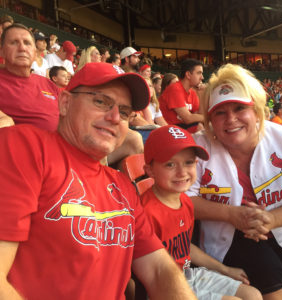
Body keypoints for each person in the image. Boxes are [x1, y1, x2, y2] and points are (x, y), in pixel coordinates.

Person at [0, 62, 197, 300]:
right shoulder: (25, 147)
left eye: (124, 112)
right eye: (101, 101)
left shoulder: (122, 186)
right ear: (65, 103)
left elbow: (158, 269)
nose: (115, 117)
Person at [187, 63, 282, 300]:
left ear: (257, 110)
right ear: (209, 119)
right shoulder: (196, 148)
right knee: (278, 292)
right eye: (220, 112)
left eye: (240, 108)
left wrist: (271, 219)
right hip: (229, 236)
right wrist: (231, 215)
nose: (231, 119)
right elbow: (183, 200)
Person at [141, 125, 262, 300]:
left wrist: (224, 269)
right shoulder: (146, 212)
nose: (182, 172)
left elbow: (184, 247)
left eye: (188, 162)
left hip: (186, 274)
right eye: (170, 164)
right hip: (163, 286)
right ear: (150, 170)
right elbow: (146, 273)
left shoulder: (185, 201)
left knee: (253, 295)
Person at [0, 23, 59, 131]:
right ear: (2, 51)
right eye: (14, 42)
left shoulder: (49, 84)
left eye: (27, 43)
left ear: (34, 52)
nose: (22, 48)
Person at [159, 59, 204, 132]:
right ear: (188, 75)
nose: (202, 77)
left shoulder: (192, 92)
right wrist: (209, 117)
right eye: (199, 73)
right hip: (169, 130)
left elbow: (198, 116)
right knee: (201, 128)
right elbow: (188, 119)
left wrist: (201, 93)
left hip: (182, 127)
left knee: (207, 126)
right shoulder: (175, 89)